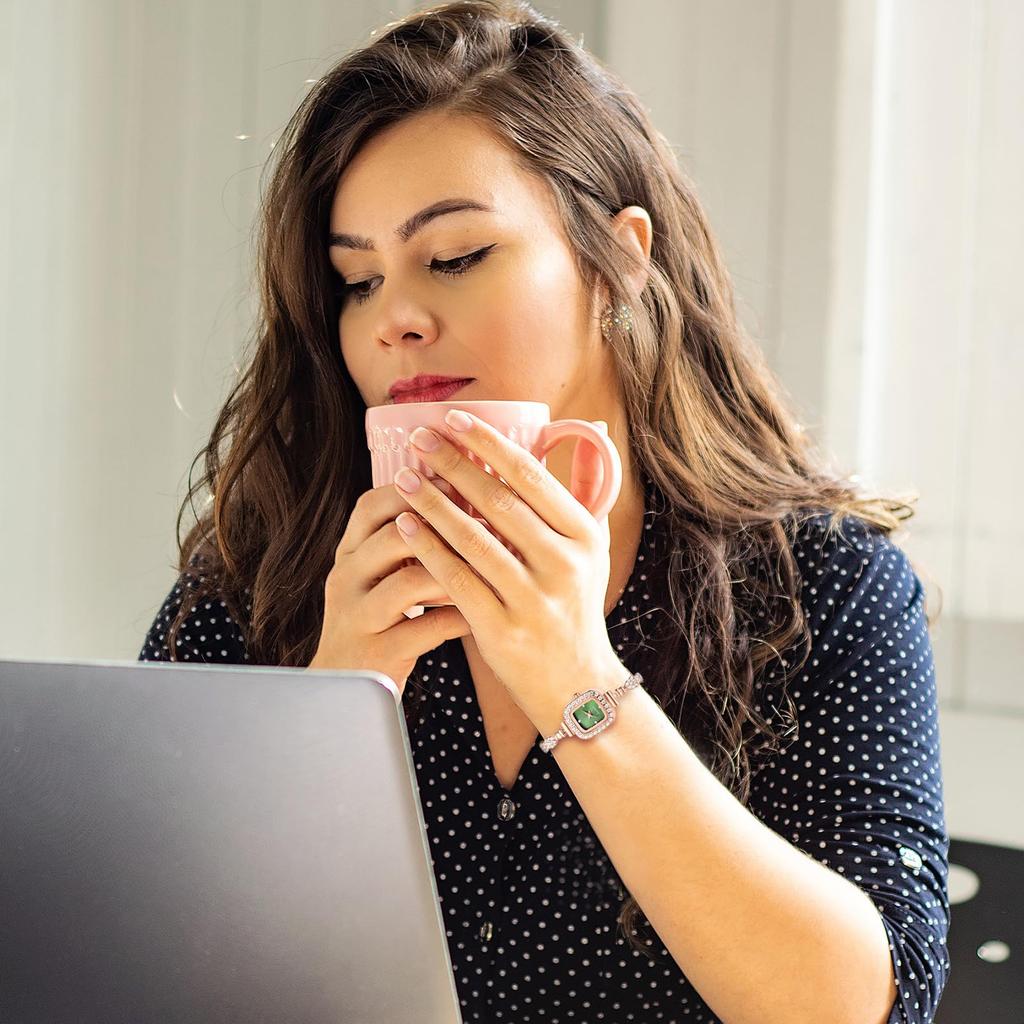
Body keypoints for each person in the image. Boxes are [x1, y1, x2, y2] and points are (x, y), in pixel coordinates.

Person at [139, 2, 951, 1021]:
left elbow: (865, 1004)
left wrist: (579, 679)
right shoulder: (261, 581)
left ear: (619, 260)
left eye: (456, 256)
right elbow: (140, 970)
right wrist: (326, 720)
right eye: (355, 280)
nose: (394, 318)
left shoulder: (823, 592)